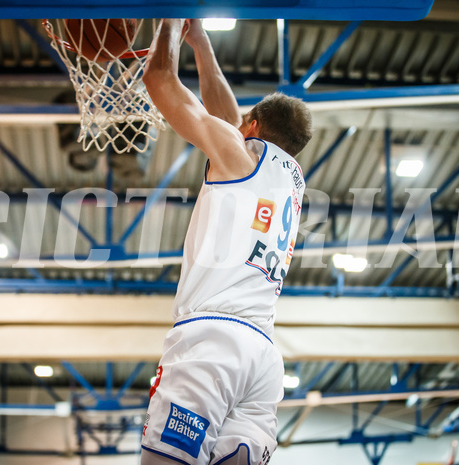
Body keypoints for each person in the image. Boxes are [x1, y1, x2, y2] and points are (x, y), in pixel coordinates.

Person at [140, 18, 312, 465]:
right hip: (261, 356)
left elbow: (158, 80)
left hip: (213, 341)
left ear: (252, 127)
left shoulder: (239, 154)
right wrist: (202, 43)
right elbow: (228, 120)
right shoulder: (290, 182)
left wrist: (171, 24)